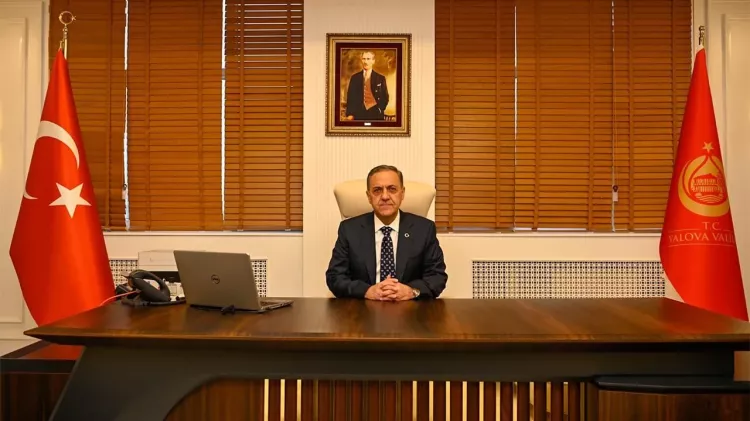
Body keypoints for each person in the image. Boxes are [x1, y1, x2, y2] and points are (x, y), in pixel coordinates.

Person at [326, 165, 448, 300]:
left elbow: (437, 277)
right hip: (363, 306)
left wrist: (410, 291)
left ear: (402, 193)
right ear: (369, 196)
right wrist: (366, 291)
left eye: (392, 189)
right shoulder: (349, 230)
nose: (385, 196)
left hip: (410, 307)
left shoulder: (424, 229)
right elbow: (335, 277)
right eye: (377, 190)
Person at [344, 51, 389, 121]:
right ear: (361, 60)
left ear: (373, 61)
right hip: (358, 113)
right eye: (364, 59)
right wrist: (350, 114)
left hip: (376, 113)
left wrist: (380, 108)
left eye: (368, 59)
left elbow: (385, 96)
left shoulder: (380, 78)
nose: (365, 61)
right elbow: (350, 97)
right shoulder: (355, 78)